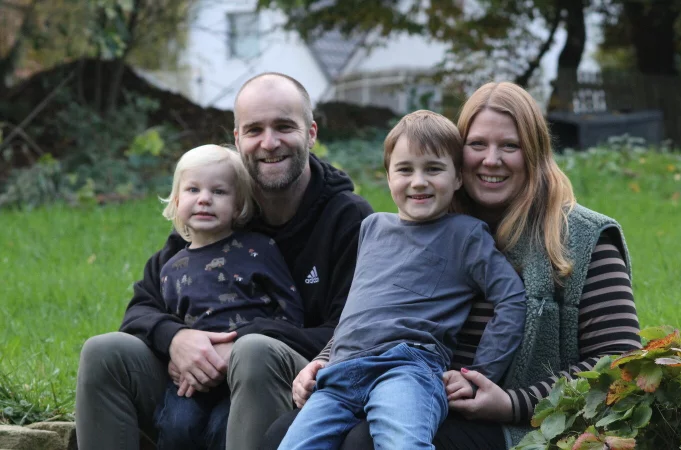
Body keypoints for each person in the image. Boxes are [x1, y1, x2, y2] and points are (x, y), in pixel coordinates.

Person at [262, 81, 642, 449]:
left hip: (518, 424)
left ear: (535, 152)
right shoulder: (429, 223)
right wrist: (325, 359)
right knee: (281, 432)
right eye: (477, 144)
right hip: (398, 386)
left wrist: (514, 402)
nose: (491, 159)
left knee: (366, 442)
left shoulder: (582, 237)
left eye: (510, 146)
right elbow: (380, 308)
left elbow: (619, 364)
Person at [75, 73, 374, 450]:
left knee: (254, 351)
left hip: (299, 387)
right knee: (103, 352)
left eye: (284, 127)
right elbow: (142, 308)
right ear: (237, 138)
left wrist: (240, 342)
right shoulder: (219, 207)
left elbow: (355, 333)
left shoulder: (348, 219)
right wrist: (176, 338)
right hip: (194, 391)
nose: (269, 143)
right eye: (254, 130)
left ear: (311, 133)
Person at [277, 110, 526, 450]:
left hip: (408, 368)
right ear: (388, 176)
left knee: (402, 444)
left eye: (433, 169)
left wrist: (479, 373)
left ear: (458, 178)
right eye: (405, 169)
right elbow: (362, 309)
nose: (418, 182)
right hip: (341, 374)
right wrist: (323, 359)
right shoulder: (372, 227)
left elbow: (511, 298)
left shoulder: (465, 235)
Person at [153, 144, 305, 449]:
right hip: (195, 379)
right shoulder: (170, 268)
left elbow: (290, 312)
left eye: (219, 191)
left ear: (238, 206)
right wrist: (172, 355)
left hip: (246, 373)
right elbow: (170, 321)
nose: (204, 199)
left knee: (223, 427)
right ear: (177, 201)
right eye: (193, 189)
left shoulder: (259, 249)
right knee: (176, 425)